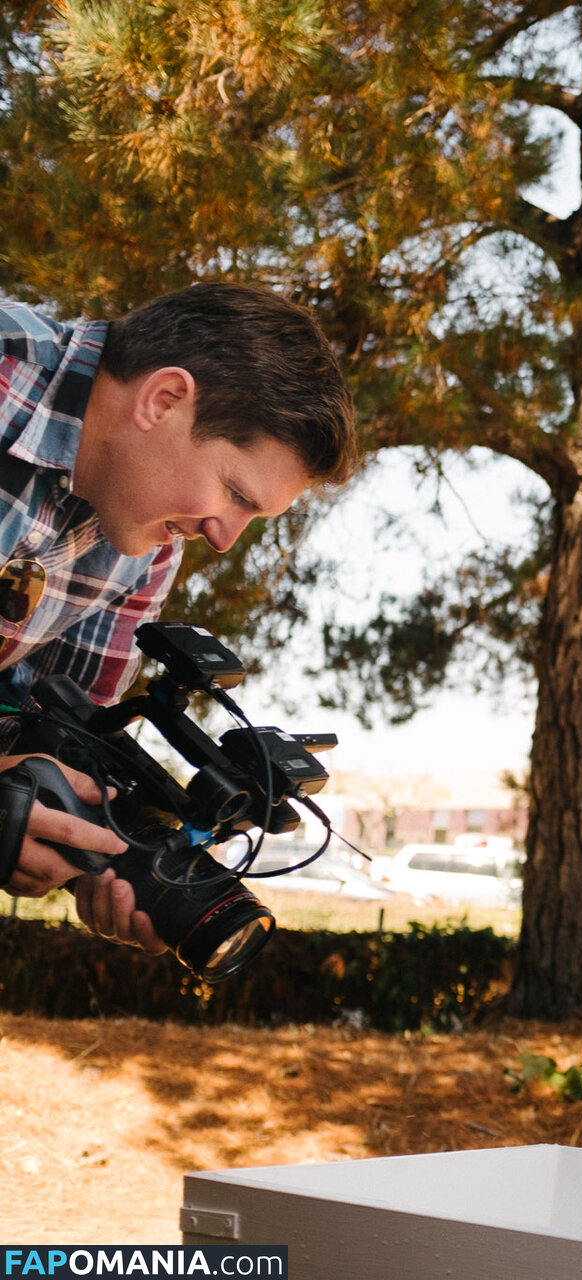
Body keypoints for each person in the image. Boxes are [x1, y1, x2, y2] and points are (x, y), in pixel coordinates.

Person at [0, 282, 357, 954]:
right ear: (163, 400)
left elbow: (55, 747)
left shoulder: (145, 548)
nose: (224, 538)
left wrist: (107, 854)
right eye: (234, 494)